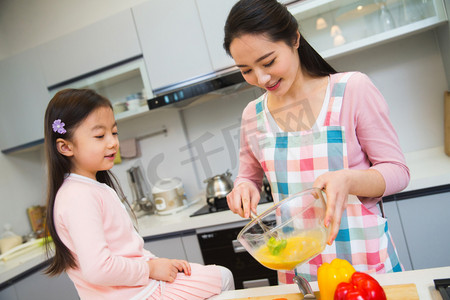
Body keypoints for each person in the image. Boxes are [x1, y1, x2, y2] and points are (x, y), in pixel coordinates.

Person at [224, 0, 410, 283]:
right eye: (246, 70)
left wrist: (349, 180)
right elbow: (248, 178)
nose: (261, 78)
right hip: (299, 271)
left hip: (364, 265)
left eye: (269, 62)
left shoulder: (351, 90)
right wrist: (243, 189)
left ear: (295, 39)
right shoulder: (253, 115)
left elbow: (397, 171)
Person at [43, 89, 234, 299]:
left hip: (137, 289)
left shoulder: (88, 188)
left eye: (114, 132)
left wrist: (157, 264)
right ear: (65, 147)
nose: (112, 142)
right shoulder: (78, 196)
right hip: (136, 295)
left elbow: (128, 251)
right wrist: (150, 269)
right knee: (222, 277)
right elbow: (97, 269)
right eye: (99, 135)